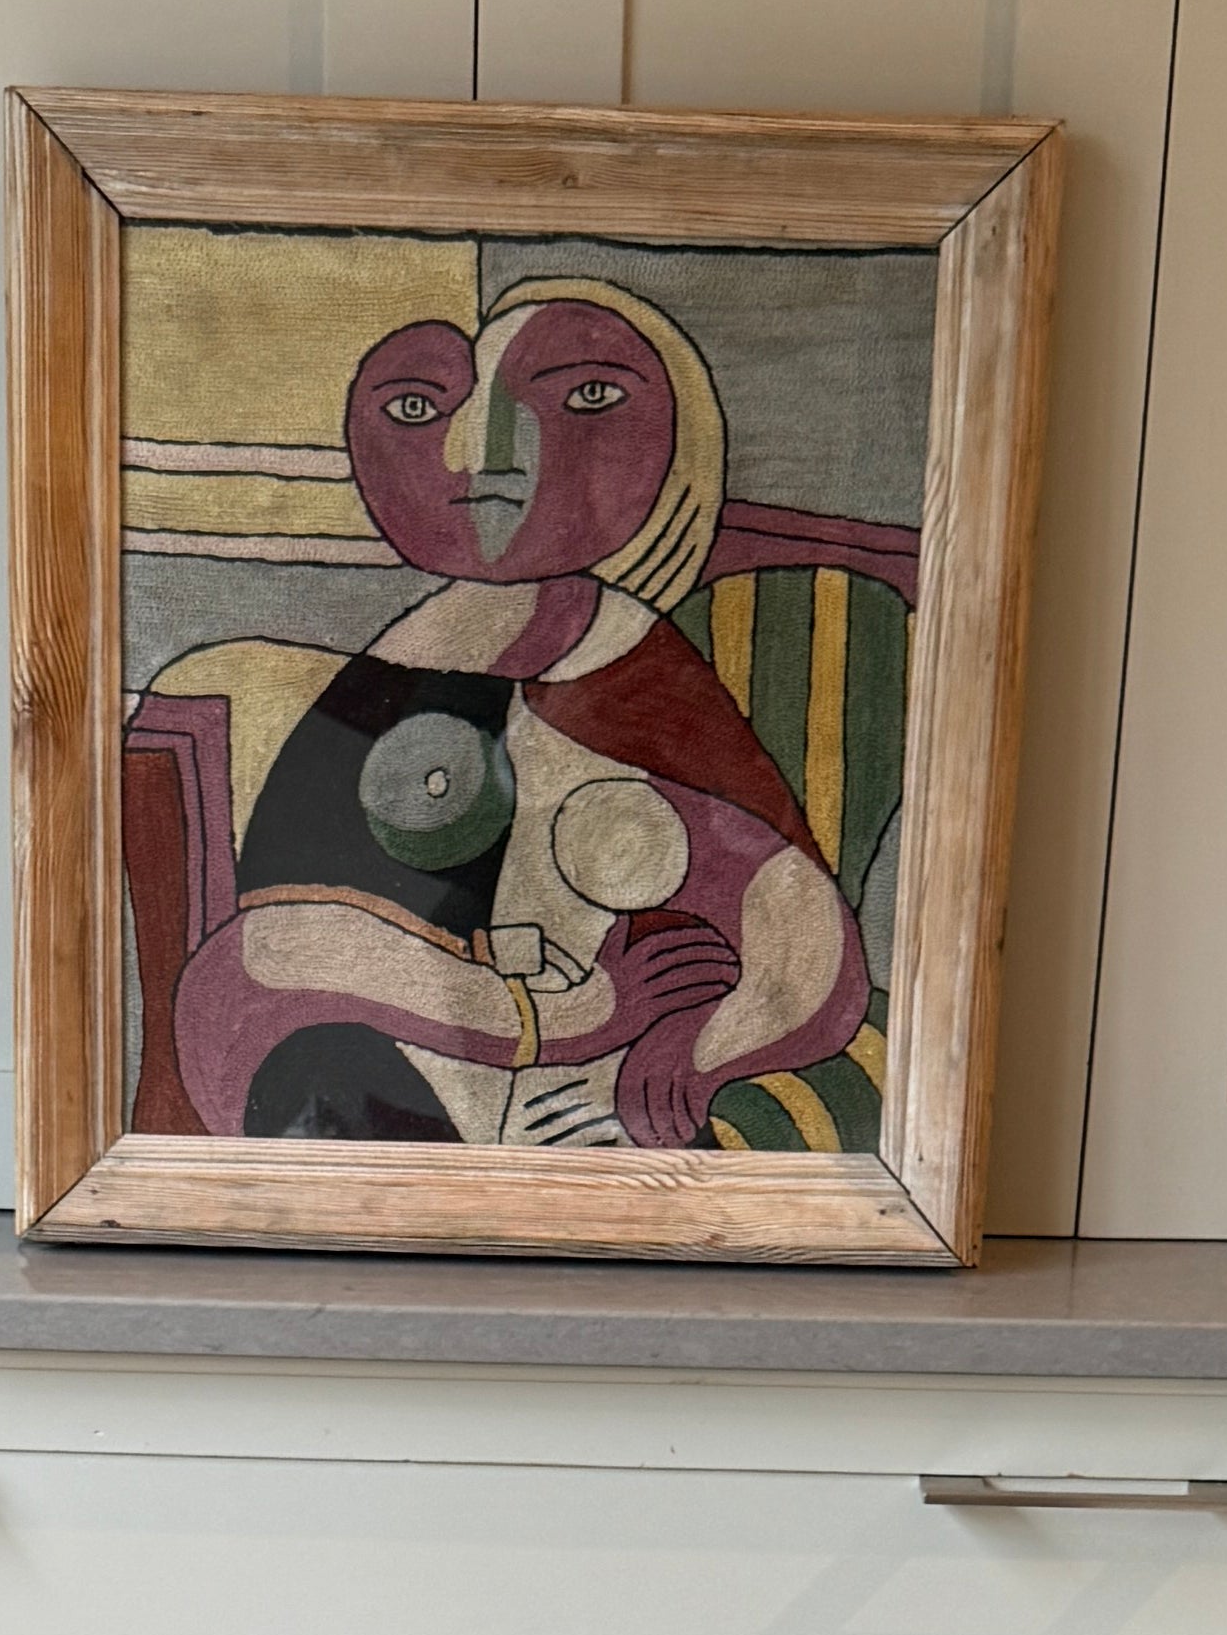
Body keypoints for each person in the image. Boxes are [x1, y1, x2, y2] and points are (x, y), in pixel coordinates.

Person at [120, 281, 871, 1148]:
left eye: (583, 398)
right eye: (416, 407)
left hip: (566, 1117)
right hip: (381, 1095)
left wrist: (689, 1055)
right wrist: (557, 1015)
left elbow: (802, 937)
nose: (482, 456)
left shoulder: (627, 669)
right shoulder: (384, 677)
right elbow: (258, 970)